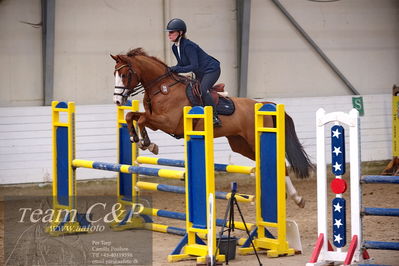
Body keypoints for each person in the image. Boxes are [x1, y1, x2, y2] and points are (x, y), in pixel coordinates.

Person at [166, 18, 222, 127]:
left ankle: (215, 117)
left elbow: (193, 65)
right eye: (169, 32)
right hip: (200, 72)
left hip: (211, 69)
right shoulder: (174, 47)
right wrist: (170, 69)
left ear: (180, 33)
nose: (169, 35)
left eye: (172, 32)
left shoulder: (188, 45)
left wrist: (176, 69)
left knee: (203, 89)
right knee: (192, 90)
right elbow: (181, 64)